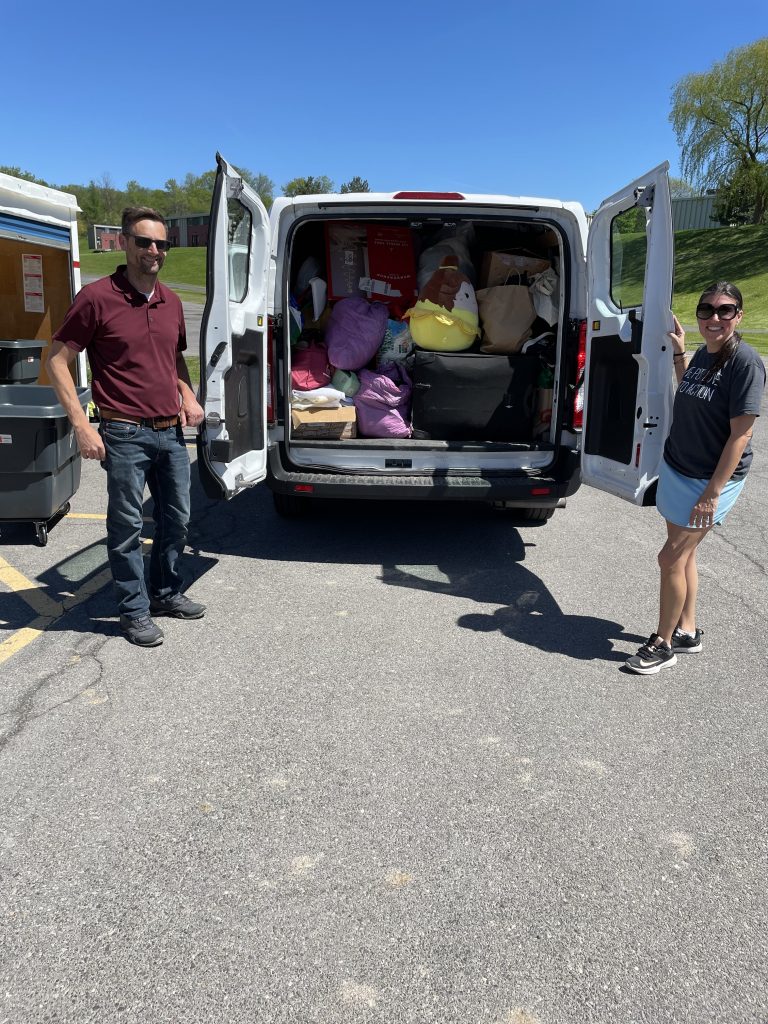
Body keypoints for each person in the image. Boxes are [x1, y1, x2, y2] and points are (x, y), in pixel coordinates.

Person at [47, 207, 206, 648]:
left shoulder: (171, 301)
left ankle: (167, 593)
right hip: (123, 432)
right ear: (125, 243)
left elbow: (173, 361)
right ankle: (133, 611)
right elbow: (57, 361)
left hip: (171, 432)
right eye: (144, 242)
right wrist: (81, 424)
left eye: (161, 244)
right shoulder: (97, 297)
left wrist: (188, 396)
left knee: (177, 520)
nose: (154, 251)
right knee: (126, 527)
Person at [625, 282, 765, 675]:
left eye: (725, 310)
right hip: (678, 467)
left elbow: (741, 435)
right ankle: (687, 631)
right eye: (707, 310)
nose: (714, 318)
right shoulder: (705, 354)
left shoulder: (746, 364)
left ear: (739, 315)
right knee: (683, 553)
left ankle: (663, 643)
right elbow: (692, 390)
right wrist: (682, 354)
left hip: (710, 480)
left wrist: (712, 493)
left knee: (669, 557)